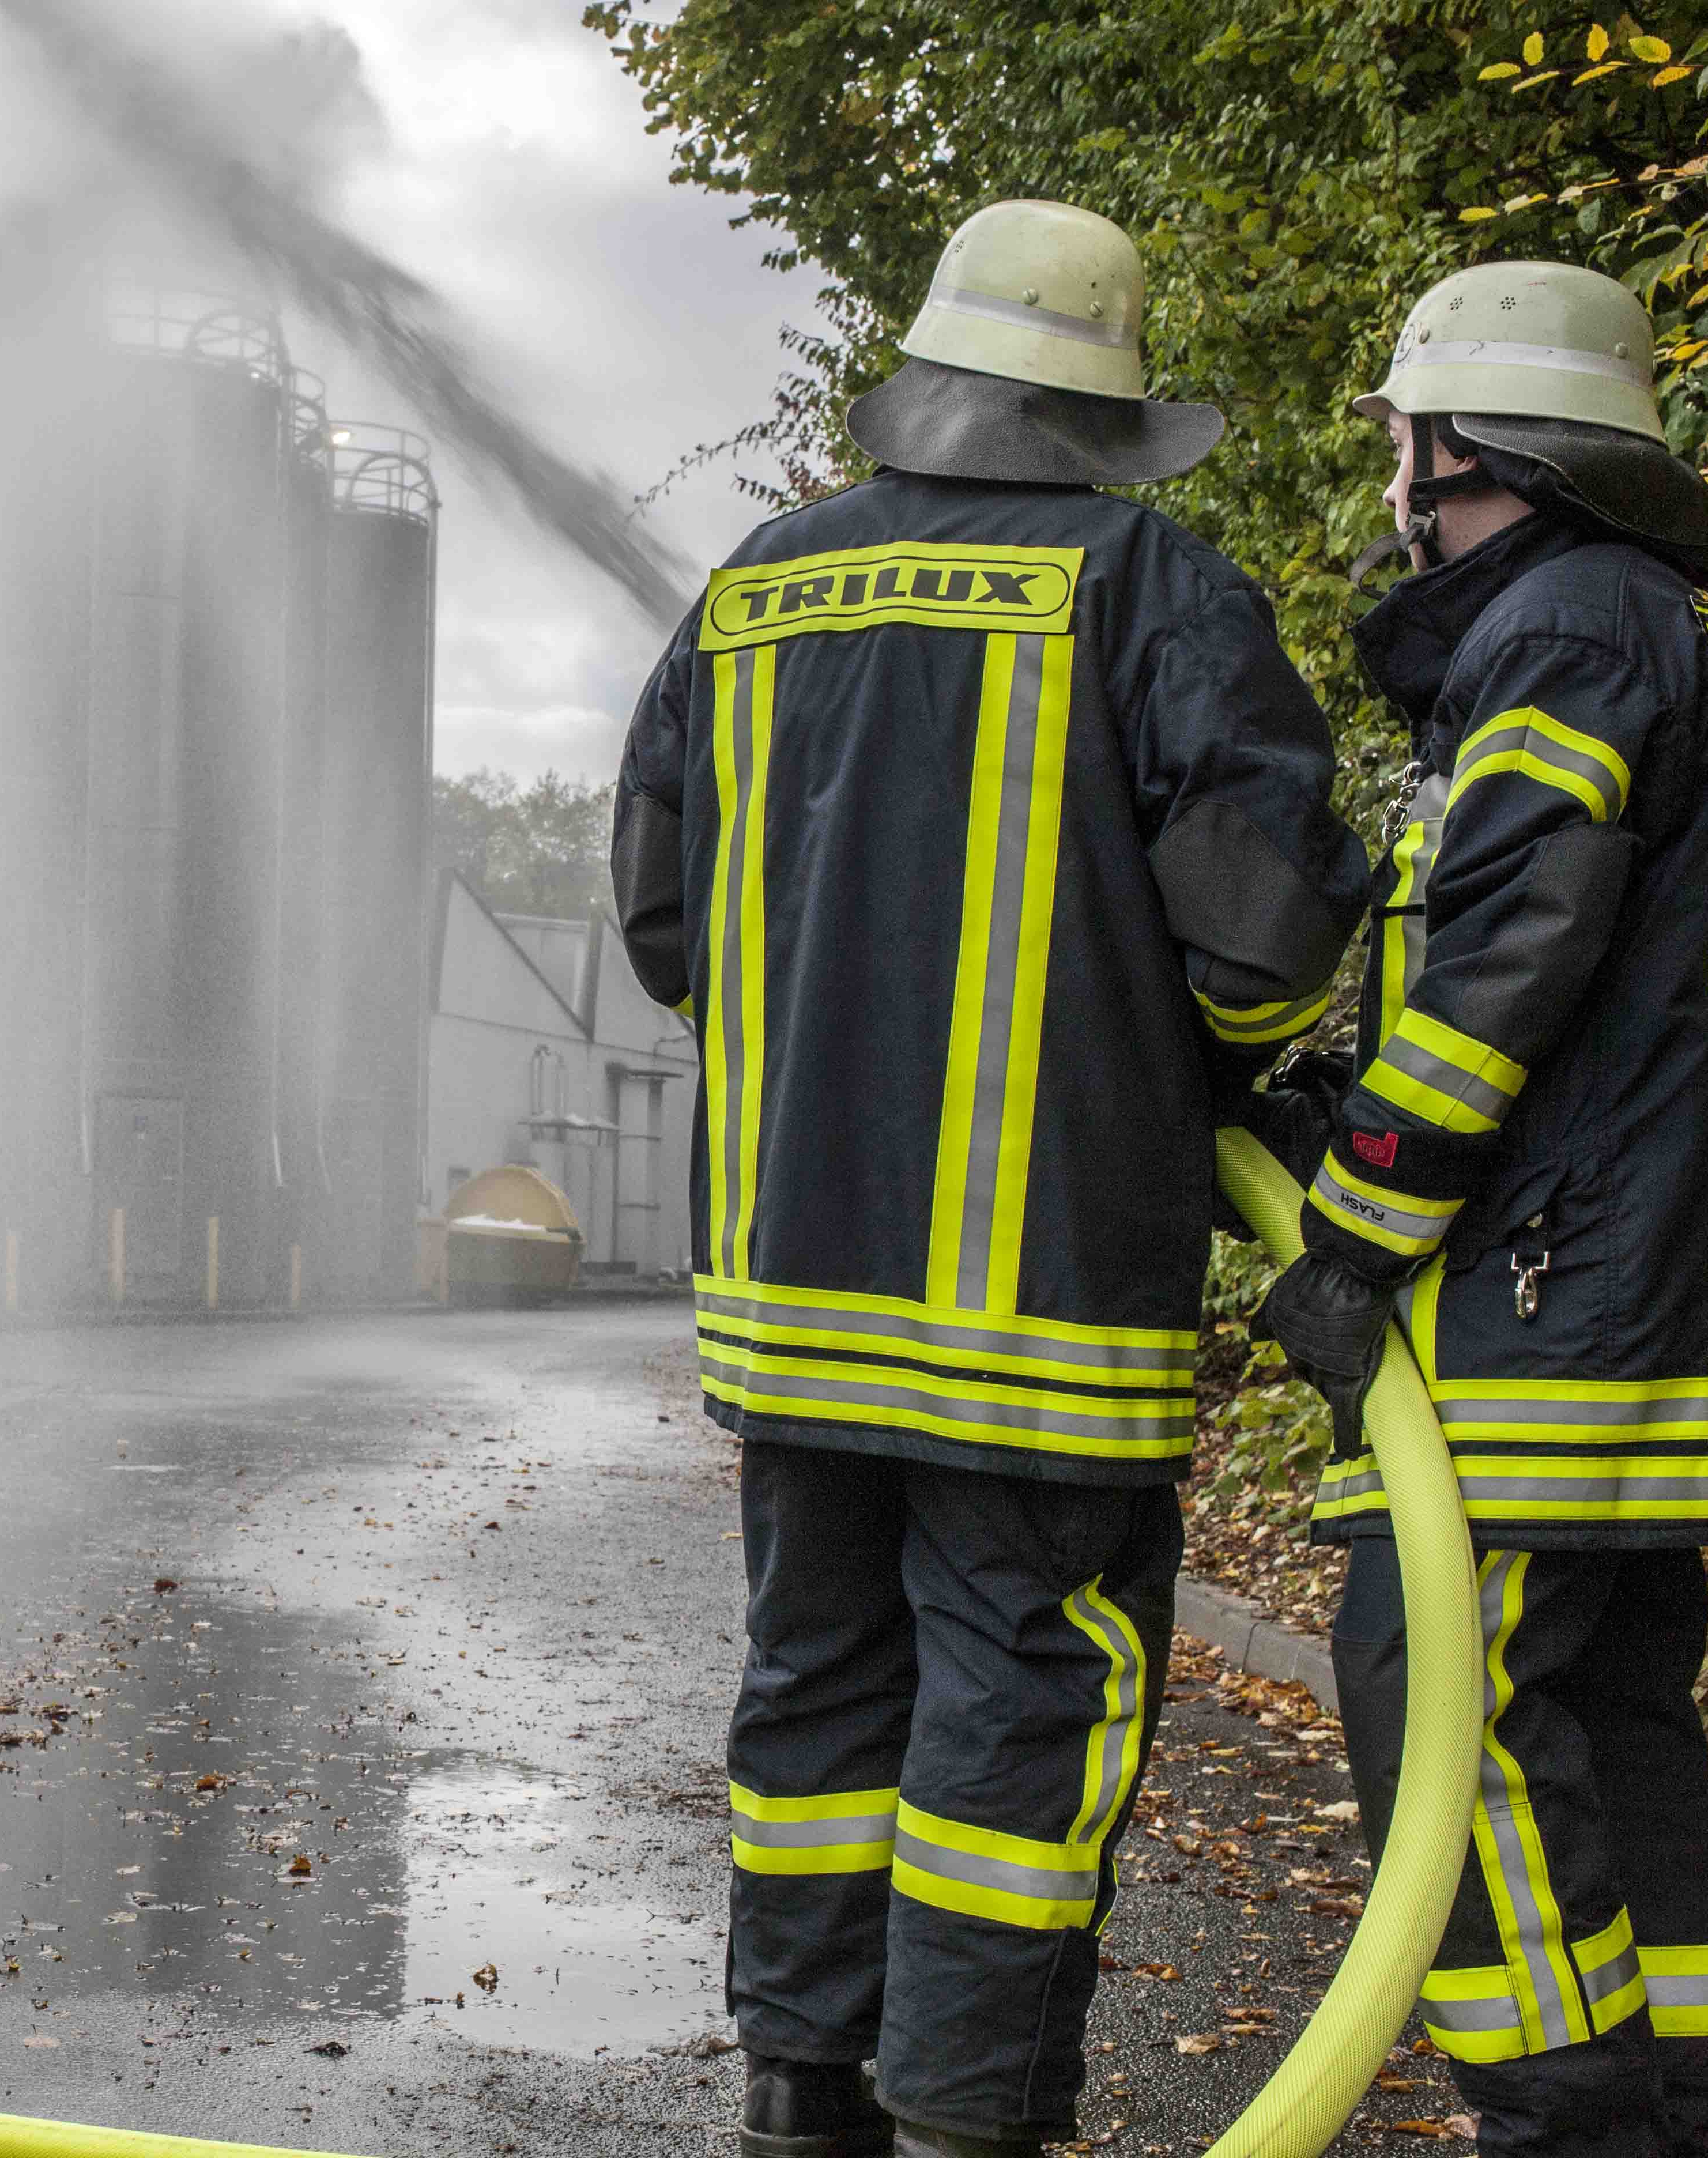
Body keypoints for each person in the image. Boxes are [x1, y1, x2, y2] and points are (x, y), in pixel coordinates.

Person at [612, 199, 1367, 2157]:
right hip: (1039, 1295)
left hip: (794, 1298)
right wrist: (1191, 1071)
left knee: (817, 1691)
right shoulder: (1150, 589)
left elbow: (667, 925)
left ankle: (800, 2099)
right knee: (1021, 1710)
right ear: (1101, 415)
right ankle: (967, 2124)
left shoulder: (750, 594)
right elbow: (1270, 931)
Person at [1259, 259, 1708, 2158]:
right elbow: (1543, 957)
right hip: (1623, 1304)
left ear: (1467, 440)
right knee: (1616, 1748)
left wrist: (1363, 1222)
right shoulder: (1616, 625)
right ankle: (1680, 2118)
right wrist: (1331, 1093)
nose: (1392, 464)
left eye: (1404, 429)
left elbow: (1513, 959)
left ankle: (1569, 2134)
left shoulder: (1564, 628)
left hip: (1539, 1313)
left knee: (1459, 1742)